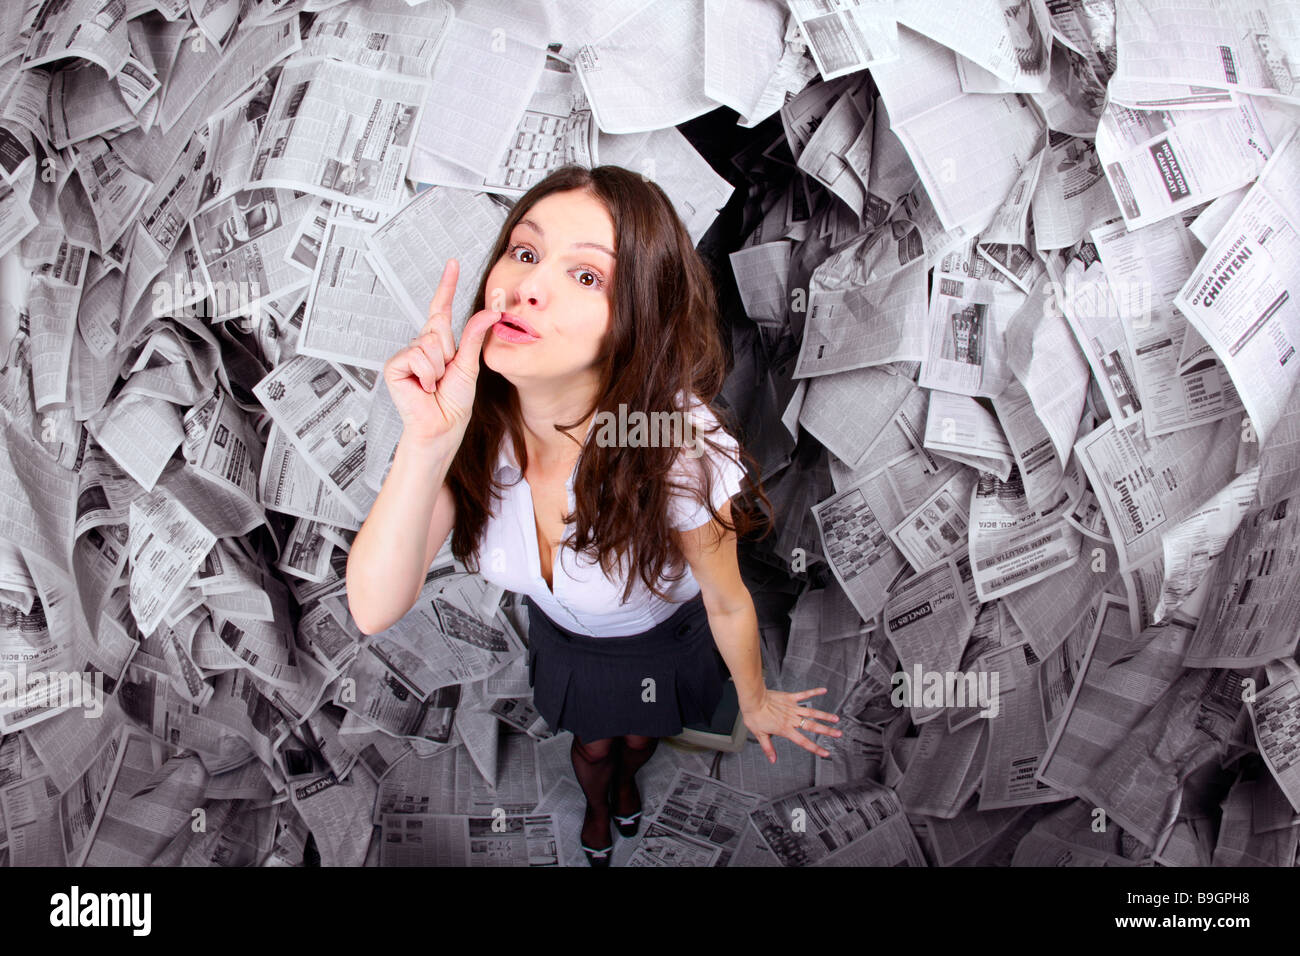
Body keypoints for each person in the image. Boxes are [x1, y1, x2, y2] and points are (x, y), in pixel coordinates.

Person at [346, 164, 842, 866]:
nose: (528, 286)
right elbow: (371, 608)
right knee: (591, 742)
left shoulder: (676, 451)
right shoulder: (470, 427)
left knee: (637, 739)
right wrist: (426, 443)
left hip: (660, 642)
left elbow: (728, 602)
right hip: (565, 640)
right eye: (524, 252)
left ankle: (628, 788)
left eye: (586, 277)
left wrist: (757, 701)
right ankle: (599, 814)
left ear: (635, 321)